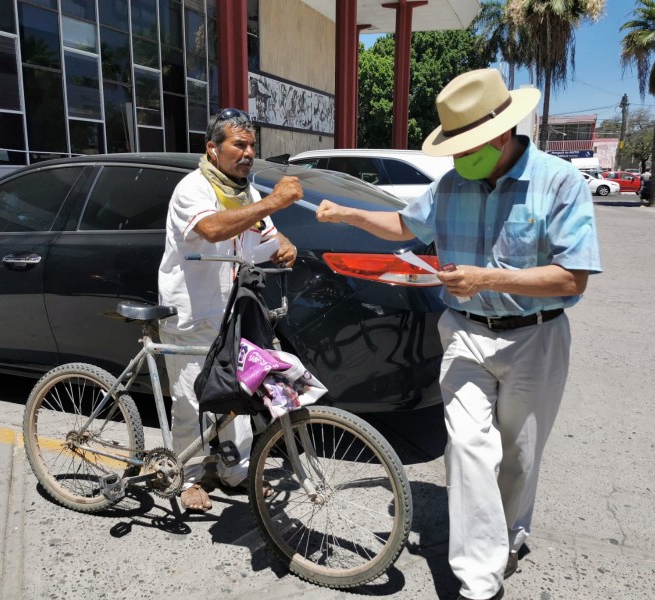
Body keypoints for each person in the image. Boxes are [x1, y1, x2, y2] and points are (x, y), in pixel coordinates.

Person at [316, 68, 602, 600]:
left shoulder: (560, 182)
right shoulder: (452, 184)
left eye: (465, 146)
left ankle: (510, 537)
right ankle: (479, 580)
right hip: (465, 334)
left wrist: (486, 277)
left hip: (534, 337)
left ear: (500, 134)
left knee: (518, 455)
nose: (456, 159)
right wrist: (348, 213)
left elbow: (573, 276)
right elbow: (405, 226)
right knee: (468, 448)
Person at [158, 108, 302, 512]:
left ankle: (235, 472)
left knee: (238, 393)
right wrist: (273, 202)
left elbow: (262, 233)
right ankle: (185, 479)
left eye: (252, 145)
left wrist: (282, 242)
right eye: (239, 144)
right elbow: (214, 228)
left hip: (230, 313)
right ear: (213, 148)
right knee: (190, 398)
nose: (248, 152)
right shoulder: (193, 188)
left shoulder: (246, 193)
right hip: (191, 313)